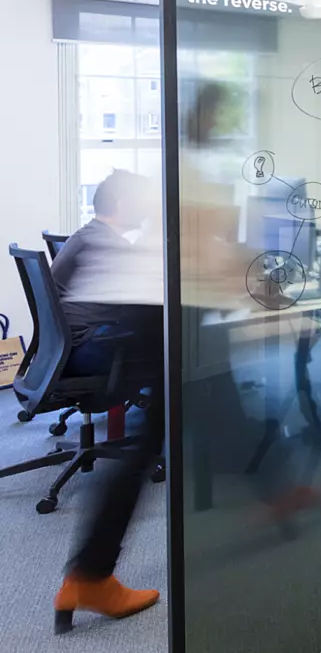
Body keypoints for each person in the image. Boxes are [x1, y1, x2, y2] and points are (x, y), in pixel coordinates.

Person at [49, 170, 165, 630]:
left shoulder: (92, 235)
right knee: (171, 369)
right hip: (91, 350)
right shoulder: (109, 242)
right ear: (123, 203)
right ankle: (92, 574)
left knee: (164, 391)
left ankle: (90, 574)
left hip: (71, 349)